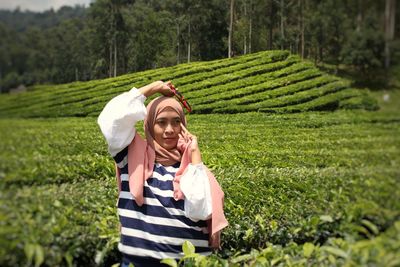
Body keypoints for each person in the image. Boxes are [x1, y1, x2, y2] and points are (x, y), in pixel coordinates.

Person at [97, 81, 228, 267]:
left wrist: (194, 154)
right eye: (161, 122)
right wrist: (154, 88)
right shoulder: (131, 158)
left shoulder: (193, 170)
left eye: (176, 122)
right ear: (150, 125)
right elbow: (111, 120)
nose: (169, 130)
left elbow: (203, 210)